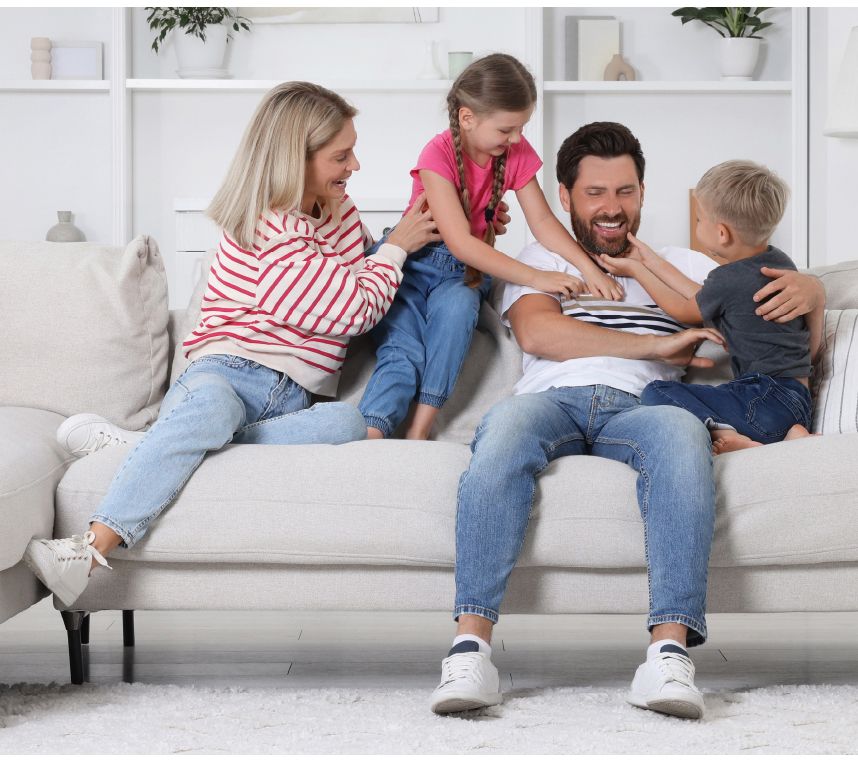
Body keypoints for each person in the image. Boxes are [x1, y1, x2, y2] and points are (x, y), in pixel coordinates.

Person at [429, 122, 825, 720]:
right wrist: (655, 346)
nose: (612, 207)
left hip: (645, 407)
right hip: (551, 399)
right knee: (502, 434)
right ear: (565, 197)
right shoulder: (541, 258)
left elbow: (760, 300)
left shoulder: (686, 265)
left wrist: (814, 289)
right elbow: (539, 333)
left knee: (683, 439)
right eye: (595, 193)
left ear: (643, 192)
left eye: (625, 191)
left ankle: (669, 655)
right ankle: (469, 652)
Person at [24, 81, 439, 608]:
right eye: (341, 156)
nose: (354, 166)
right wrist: (395, 249)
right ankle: (86, 550)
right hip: (226, 372)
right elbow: (353, 309)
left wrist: (428, 233)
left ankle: (152, 445)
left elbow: (366, 269)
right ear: (295, 158)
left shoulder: (337, 210)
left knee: (349, 424)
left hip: (294, 398)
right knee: (214, 408)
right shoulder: (272, 227)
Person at [358, 53, 623, 442]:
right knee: (404, 351)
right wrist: (537, 277)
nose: (515, 138)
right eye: (506, 129)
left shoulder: (514, 151)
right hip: (413, 265)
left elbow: (543, 221)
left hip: (462, 275)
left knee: (458, 315)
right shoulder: (437, 154)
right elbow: (461, 242)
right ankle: (371, 435)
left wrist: (589, 268)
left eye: (521, 128)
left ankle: (419, 432)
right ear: (467, 118)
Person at [599, 160, 824, 455]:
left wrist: (637, 270)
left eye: (699, 219)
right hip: (797, 402)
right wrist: (652, 261)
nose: (696, 224)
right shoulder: (780, 264)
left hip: (761, 399)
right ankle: (791, 435)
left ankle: (730, 434)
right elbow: (700, 295)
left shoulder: (727, 278)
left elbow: (684, 309)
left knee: (657, 392)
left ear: (721, 233)